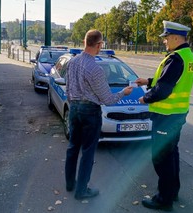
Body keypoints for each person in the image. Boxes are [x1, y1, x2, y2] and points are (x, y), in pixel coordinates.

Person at [135, 20, 193, 211]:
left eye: (166, 38)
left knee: (160, 158)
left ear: (176, 37)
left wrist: (146, 98)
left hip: (166, 116)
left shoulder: (175, 58)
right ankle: (172, 192)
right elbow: (170, 80)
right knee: (171, 155)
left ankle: (164, 199)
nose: (164, 41)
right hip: (177, 114)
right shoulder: (187, 56)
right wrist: (149, 80)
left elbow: (164, 89)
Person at [65, 29, 133, 200]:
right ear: (99, 45)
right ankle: (82, 190)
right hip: (90, 112)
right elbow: (107, 99)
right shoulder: (95, 69)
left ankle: (70, 183)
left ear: (84, 41)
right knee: (88, 151)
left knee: (73, 147)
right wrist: (123, 92)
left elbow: (68, 87)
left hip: (74, 108)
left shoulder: (72, 62)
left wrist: (73, 103)